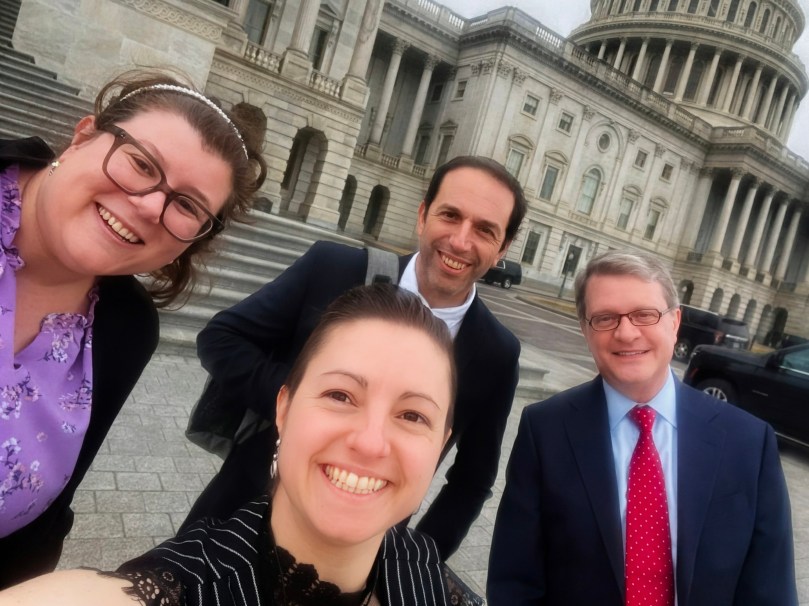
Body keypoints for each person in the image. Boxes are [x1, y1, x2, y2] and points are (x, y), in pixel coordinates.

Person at [0, 284, 483, 605]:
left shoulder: (431, 581)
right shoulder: (178, 587)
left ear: (440, 447)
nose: (371, 441)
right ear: (284, 409)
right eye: (340, 395)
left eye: (412, 415)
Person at [183, 155, 526, 558]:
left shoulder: (496, 351)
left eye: (485, 230)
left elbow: (472, 480)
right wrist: (305, 402)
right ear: (422, 216)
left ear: (502, 248)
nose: (461, 241)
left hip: (364, 553)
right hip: (244, 510)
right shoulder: (333, 268)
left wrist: (414, 560)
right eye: (450, 215)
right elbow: (222, 337)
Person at [0, 70, 267, 587]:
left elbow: (49, 515)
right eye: (141, 163)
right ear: (83, 136)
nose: (150, 205)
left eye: (188, 206)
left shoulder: (126, 328)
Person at [487, 250, 798, 605]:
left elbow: (770, 591)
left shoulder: (748, 442)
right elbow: (514, 582)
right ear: (585, 331)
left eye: (644, 315)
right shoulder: (544, 430)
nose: (626, 332)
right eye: (604, 318)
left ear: (675, 321)